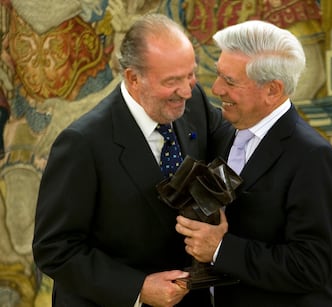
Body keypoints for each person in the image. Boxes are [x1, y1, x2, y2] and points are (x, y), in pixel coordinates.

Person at [32, 13, 228, 307]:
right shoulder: (82, 144)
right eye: (173, 81)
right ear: (133, 78)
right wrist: (138, 288)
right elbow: (54, 248)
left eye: (190, 74)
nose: (187, 90)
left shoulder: (194, 100)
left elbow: (233, 153)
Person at [175, 20, 332, 307]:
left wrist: (220, 248)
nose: (216, 89)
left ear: (273, 90)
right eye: (219, 76)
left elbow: (311, 266)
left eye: (230, 81)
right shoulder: (225, 135)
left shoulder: (315, 158)